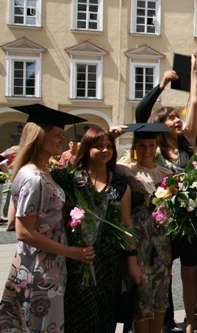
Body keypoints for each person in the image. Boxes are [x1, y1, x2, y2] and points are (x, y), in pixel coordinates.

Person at [0, 105, 93, 331]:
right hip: (39, 269)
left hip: (45, 265)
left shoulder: (40, 172)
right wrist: (71, 252)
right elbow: (23, 231)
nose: (63, 140)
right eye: (57, 135)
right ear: (40, 136)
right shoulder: (34, 178)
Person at [135, 54, 197, 333]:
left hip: (187, 220)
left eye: (178, 116)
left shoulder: (188, 142)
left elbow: (195, 104)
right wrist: (162, 83)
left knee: (190, 273)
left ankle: (189, 321)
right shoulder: (156, 148)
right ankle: (163, 320)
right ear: (160, 125)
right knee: (162, 273)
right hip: (161, 224)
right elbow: (142, 113)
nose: (178, 120)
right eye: (172, 117)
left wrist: (195, 74)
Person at [64, 127, 133, 332]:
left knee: (106, 312)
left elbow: (126, 224)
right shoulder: (73, 179)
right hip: (79, 256)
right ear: (87, 148)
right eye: (98, 146)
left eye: (109, 146)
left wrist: (133, 262)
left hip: (110, 259)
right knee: (77, 311)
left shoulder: (121, 184)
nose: (105, 150)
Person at [118, 124, 173, 333]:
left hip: (161, 245)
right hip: (138, 244)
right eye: (142, 146)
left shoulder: (167, 175)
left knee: (160, 296)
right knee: (141, 297)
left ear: (156, 146)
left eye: (151, 145)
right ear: (135, 147)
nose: (147, 150)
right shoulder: (125, 171)